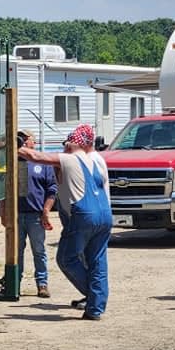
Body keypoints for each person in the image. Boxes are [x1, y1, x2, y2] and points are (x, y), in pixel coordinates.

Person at [19, 123, 112, 320]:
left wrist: (14, 147)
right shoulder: (96, 160)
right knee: (97, 261)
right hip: (105, 213)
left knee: (66, 258)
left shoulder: (69, 159)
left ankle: (94, 296)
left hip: (84, 214)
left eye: (65, 143)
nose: (63, 147)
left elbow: (35, 157)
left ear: (71, 144)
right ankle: (95, 308)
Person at [0, 129, 58, 298]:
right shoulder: (10, 162)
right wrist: (3, 211)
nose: (23, 141)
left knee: (39, 251)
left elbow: (51, 189)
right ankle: (14, 284)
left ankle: (42, 284)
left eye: (27, 138)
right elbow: (2, 190)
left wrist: (46, 210)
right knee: (15, 252)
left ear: (34, 142)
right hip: (16, 215)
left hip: (36, 215)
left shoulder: (42, 162)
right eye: (20, 138)